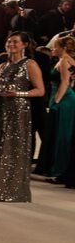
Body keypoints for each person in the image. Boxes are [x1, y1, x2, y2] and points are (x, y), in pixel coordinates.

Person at [0, 32, 45, 202]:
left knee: (14, 147)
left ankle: (13, 192)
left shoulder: (30, 64)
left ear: (24, 45)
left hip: (19, 110)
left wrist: (18, 93)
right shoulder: (2, 65)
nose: (11, 44)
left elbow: (40, 90)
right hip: (1, 108)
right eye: (9, 41)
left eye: (15, 42)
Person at [46, 36, 75, 179]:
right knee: (62, 134)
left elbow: (64, 82)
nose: (52, 48)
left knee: (62, 135)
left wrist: (56, 101)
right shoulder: (66, 60)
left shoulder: (64, 61)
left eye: (55, 46)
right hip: (66, 97)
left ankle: (60, 171)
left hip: (64, 99)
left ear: (63, 48)